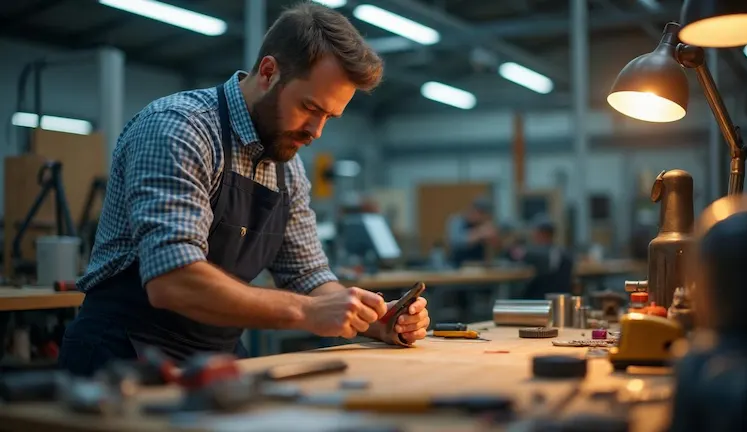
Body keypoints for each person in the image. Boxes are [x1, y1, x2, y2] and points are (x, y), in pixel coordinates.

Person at [58, 3, 430, 377]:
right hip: (122, 355)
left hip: (213, 360)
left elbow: (307, 276)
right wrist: (306, 312)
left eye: (329, 117)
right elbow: (172, 281)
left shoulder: (288, 167)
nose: (316, 132)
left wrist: (373, 320)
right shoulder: (179, 129)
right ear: (269, 72)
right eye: (309, 107)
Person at [509, 216, 573, 299]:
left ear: (540, 233)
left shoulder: (534, 253)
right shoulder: (563, 253)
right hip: (559, 301)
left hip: (538, 300)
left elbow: (517, 254)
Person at [445, 197, 499, 267]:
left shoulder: (483, 223)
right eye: (479, 213)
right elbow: (455, 242)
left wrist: (492, 238)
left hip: (479, 266)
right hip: (458, 266)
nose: (480, 217)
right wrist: (480, 233)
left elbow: (496, 247)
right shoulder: (456, 221)